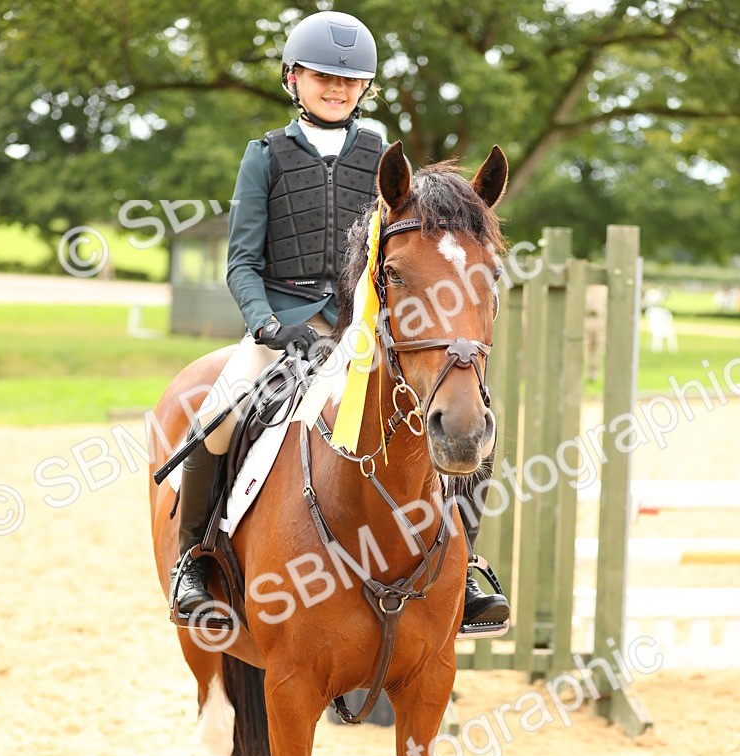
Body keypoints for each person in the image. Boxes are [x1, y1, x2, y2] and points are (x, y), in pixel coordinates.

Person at [172, 10, 510, 634]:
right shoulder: (264, 156)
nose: (336, 88)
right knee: (216, 415)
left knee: (466, 420)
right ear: (292, 79)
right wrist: (269, 324)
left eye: (350, 81)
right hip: (282, 328)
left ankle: (463, 570)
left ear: (366, 89)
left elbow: (409, 256)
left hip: (364, 334)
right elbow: (243, 261)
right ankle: (193, 559)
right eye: (323, 76)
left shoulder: (384, 159)